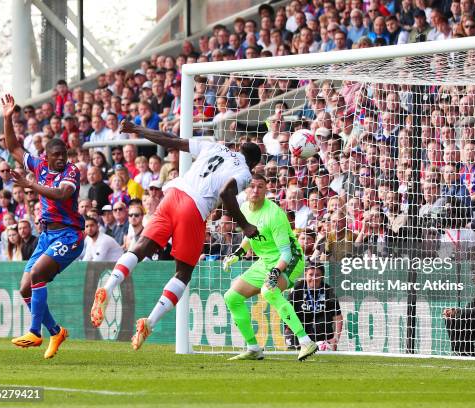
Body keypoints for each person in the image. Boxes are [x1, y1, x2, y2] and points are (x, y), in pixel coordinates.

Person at [90, 119, 262, 351]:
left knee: (140, 247)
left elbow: (171, 140)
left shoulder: (214, 146)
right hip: (194, 208)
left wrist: (137, 130)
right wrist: (246, 225)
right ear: (253, 165)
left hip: (172, 196)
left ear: (238, 148)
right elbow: (225, 192)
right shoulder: (244, 172)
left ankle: (109, 287)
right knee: (183, 272)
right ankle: (149, 322)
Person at [1, 94, 85, 359]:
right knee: (25, 288)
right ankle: (56, 331)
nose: (62, 159)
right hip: (47, 236)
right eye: (56, 156)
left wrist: (30, 185)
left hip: (70, 235)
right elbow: (14, 147)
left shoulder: (71, 172)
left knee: (37, 274)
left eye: (64, 155)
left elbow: (60, 195)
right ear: (46, 157)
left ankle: (35, 332)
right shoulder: (38, 166)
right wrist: (7, 118)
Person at [222, 174, 317, 361]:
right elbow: (251, 236)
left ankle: (306, 342)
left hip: (290, 260)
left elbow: (287, 253)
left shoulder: (274, 214)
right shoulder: (244, 210)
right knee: (231, 297)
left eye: (260, 187)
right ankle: (253, 348)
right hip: (266, 261)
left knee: (269, 291)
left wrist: (275, 272)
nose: (255, 190)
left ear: (266, 190)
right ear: (247, 190)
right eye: (252, 186)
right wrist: (237, 254)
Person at [286, 262, 343, 351]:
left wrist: (335, 339)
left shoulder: (328, 291)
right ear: (305, 275)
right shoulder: (297, 289)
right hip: (299, 330)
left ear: (323, 277)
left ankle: (324, 345)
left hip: (321, 331)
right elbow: (286, 312)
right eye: (311, 274)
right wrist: (289, 329)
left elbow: (338, 317)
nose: (314, 278)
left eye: (317, 275)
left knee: (322, 322)